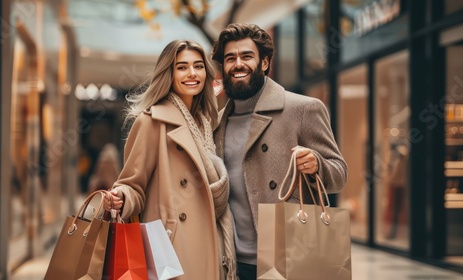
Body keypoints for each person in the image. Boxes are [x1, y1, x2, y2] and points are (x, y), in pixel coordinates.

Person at [211, 23, 348, 280]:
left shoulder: (303, 109)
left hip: (288, 256)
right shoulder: (216, 123)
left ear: (264, 63)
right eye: (230, 58)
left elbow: (339, 174)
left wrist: (317, 163)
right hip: (231, 261)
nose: (238, 64)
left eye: (247, 56)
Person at [102, 39, 236, 280]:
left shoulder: (208, 122)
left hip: (212, 241)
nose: (192, 73)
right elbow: (133, 183)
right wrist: (122, 197)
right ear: (169, 73)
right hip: (169, 247)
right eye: (182, 67)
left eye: (198, 66)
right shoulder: (151, 121)